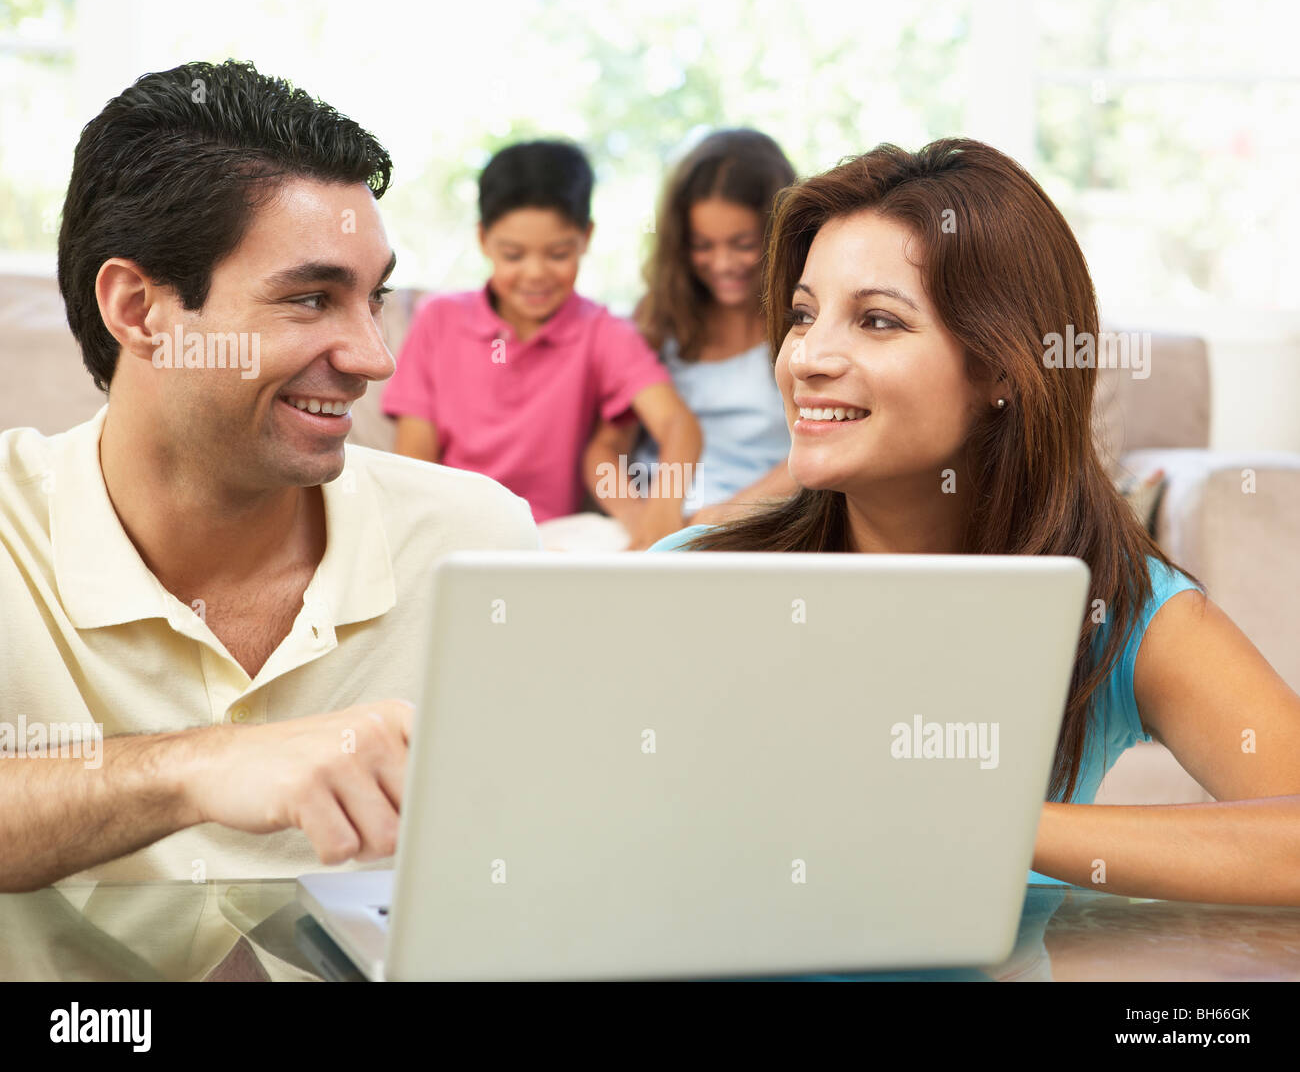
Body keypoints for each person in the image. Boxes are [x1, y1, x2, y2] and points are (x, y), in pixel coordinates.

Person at [651, 139, 1300, 906]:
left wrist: (981, 822)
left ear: (1000, 368)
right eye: (803, 314)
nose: (807, 359)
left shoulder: (1114, 608)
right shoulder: (692, 575)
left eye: (878, 322)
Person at [0, 60, 540, 891]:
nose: (374, 358)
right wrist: (197, 765)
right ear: (139, 310)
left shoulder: (474, 545)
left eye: (374, 297)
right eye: (312, 299)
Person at [383, 140, 701, 549]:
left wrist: (661, 512)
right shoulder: (439, 319)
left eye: (557, 253)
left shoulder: (603, 332)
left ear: (586, 238)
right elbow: (414, 468)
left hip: (552, 537)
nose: (535, 274)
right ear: (483, 240)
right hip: (453, 530)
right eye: (513, 255)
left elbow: (678, 424)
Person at [584, 129, 798, 532]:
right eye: (702, 245)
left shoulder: (806, 321)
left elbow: (818, 456)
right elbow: (606, 450)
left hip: (756, 523)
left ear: (778, 236)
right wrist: (642, 520)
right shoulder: (657, 320)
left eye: (743, 243)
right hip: (656, 523)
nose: (722, 263)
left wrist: (719, 520)